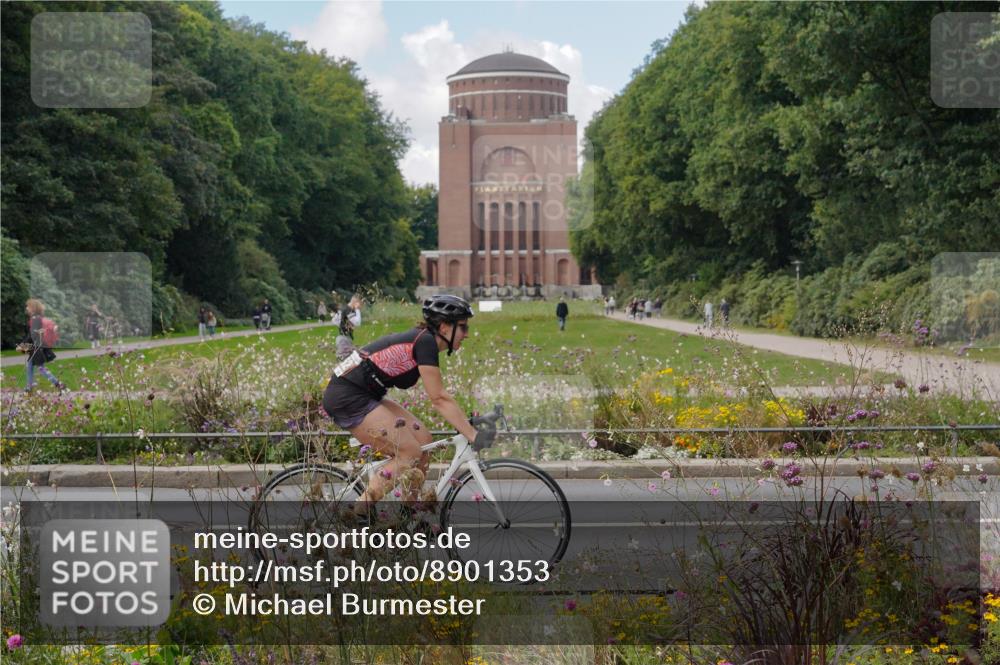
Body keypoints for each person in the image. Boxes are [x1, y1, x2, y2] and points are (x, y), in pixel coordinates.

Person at [322, 294, 482, 513]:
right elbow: (439, 398)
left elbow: (441, 397)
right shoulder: (425, 342)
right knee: (409, 453)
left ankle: (408, 514)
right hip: (347, 396)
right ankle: (358, 510)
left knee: (423, 441)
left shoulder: (424, 341)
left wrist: (466, 424)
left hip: (364, 392)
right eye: (463, 327)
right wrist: (472, 434)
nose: (467, 335)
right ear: (445, 327)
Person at [20, 299, 67, 393]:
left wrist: (24, 345)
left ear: (33, 308)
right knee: (30, 366)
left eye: (28, 306)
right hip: (37, 346)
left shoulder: (35, 319)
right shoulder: (36, 318)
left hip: (36, 347)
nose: (26, 308)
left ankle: (58, 384)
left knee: (41, 369)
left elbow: (33, 335)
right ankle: (29, 387)